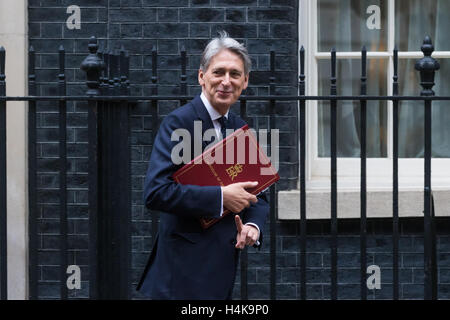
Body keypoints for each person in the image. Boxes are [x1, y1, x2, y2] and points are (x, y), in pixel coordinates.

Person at [136, 31, 270, 300]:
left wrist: (253, 227)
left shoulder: (239, 128)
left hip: (221, 271)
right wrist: (222, 197)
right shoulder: (179, 124)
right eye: (218, 72)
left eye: (234, 74)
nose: (226, 81)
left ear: (245, 82)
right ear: (202, 77)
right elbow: (155, 192)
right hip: (180, 277)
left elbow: (260, 193)